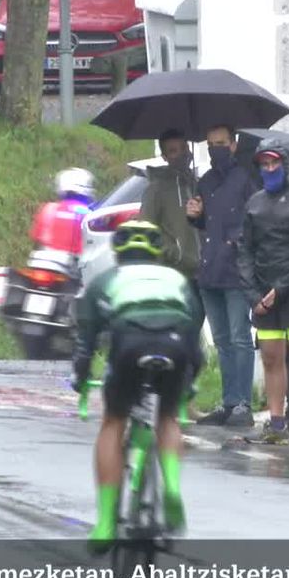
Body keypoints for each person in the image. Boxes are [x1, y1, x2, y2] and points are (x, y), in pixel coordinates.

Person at [69, 220, 205, 553]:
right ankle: (171, 486)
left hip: (130, 344)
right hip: (176, 345)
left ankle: (104, 523)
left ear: (118, 250)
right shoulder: (177, 280)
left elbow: (85, 344)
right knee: (168, 418)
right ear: (157, 251)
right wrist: (189, 385)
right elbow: (194, 335)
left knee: (113, 422)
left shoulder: (106, 280)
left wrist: (81, 380)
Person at [234, 139, 289, 447]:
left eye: (274, 163)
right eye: (264, 164)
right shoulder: (255, 203)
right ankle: (276, 422)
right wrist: (254, 294)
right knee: (271, 357)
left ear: (284, 165)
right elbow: (245, 250)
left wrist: (282, 288)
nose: (269, 168)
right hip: (263, 295)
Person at [187, 124, 255, 427]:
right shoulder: (206, 181)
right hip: (209, 272)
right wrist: (196, 216)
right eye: (211, 143)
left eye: (222, 143)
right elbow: (205, 225)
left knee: (241, 339)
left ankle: (243, 404)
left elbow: (255, 221)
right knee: (222, 341)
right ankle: (228, 402)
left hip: (236, 272)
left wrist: (235, 241)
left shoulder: (246, 180)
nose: (217, 148)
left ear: (234, 144)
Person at [139, 128, 204, 322]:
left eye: (184, 148)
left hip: (202, 274)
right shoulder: (156, 190)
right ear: (165, 156)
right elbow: (145, 229)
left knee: (196, 326)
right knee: (180, 326)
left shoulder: (198, 184)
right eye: (174, 150)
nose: (181, 154)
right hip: (174, 273)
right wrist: (172, 253)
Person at [29, 167, 96, 267]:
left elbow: (36, 239)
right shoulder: (88, 214)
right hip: (73, 266)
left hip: (42, 262)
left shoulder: (48, 208)